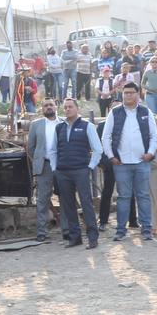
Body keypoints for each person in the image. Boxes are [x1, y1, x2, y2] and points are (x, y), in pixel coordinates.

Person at [100, 82, 157, 242]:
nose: (128, 95)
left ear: (138, 94)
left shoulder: (146, 112)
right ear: (122, 94)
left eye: (131, 92)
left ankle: (146, 229)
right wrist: (111, 156)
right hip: (121, 163)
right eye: (126, 93)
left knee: (143, 196)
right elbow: (106, 137)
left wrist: (150, 153)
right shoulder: (115, 112)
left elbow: (154, 136)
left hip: (142, 162)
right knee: (123, 197)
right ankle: (121, 230)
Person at [54, 98, 102, 249]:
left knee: (86, 203)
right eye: (65, 107)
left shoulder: (87, 126)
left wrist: (89, 167)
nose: (67, 109)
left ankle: (92, 237)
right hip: (63, 172)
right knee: (68, 206)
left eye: (70, 107)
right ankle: (75, 238)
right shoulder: (59, 128)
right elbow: (54, 150)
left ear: (77, 108)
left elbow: (98, 150)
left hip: (81, 170)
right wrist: (55, 169)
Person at [26, 97, 63, 242]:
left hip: (62, 165)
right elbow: (30, 147)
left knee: (65, 197)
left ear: (56, 106)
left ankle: (67, 229)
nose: (49, 107)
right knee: (42, 199)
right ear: (42, 108)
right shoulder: (36, 125)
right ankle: (42, 232)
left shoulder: (64, 123)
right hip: (44, 165)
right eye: (46, 105)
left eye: (51, 105)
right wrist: (38, 160)